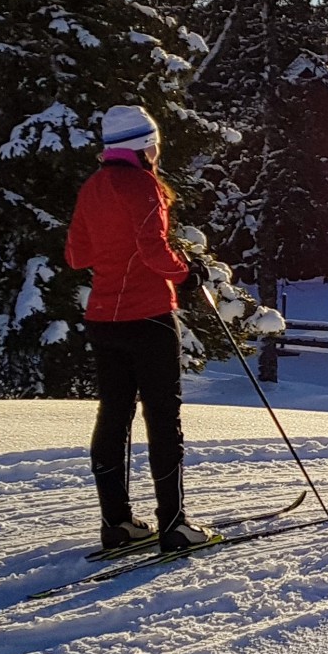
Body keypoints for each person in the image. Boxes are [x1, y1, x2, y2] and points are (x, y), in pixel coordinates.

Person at [64, 105, 217, 553]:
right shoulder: (144, 186)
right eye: (154, 143)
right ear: (143, 146)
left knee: (113, 417)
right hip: (148, 317)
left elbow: (76, 256)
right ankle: (173, 525)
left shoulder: (92, 187)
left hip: (102, 320)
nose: (156, 150)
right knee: (162, 419)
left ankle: (117, 524)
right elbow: (154, 253)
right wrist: (188, 273)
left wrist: (115, 252)